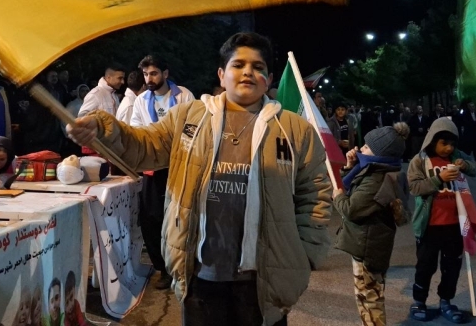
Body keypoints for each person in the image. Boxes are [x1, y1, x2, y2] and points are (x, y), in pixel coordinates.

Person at [67, 32, 332, 325]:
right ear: (221, 74)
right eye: (238, 65)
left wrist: (303, 257)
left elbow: (316, 195)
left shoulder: (295, 130)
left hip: (264, 282)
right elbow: (142, 146)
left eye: (257, 67)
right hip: (200, 277)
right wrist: (103, 128)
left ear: (268, 79)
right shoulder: (188, 117)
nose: (247, 72)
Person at [334, 122, 409, 326]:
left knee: (369, 298)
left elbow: (352, 209)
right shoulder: (376, 170)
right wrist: (350, 166)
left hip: (367, 247)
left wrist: (337, 196)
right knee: (366, 295)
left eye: (367, 147)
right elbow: (355, 186)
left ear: (380, 154)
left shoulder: (376, 179)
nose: (361, 148)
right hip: (369, 243)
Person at [130, 54, 194, 290]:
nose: (149, 78)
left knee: (179, 216)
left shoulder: (184, 96)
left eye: (154, 73)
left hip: (180, 166)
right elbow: (136, 129)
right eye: (146, 74)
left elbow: (195, 127)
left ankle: (183, 266)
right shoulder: (140, 100)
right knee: (151, 219)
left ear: (165, 74)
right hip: (153, 168)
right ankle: (162, 269)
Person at [407, 117, 476, 324]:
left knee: (451, 267)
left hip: (454, 225)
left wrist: (464, 165)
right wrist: (439, 179)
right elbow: (415, 188)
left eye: (452, 143)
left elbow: (475, 169)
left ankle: (446, 301)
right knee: (425, 266)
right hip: (429, 226)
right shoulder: (420, 160)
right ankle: (419, 301)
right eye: (444, 143)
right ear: (432, 140)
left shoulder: (456, 156)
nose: (449, 148)